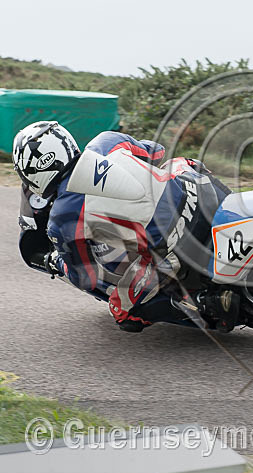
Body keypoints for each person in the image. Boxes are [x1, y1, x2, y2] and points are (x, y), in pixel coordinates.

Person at [13, 120, 233, 332]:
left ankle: (207, 304)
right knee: (180, 163)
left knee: (122, 311)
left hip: (176, 247)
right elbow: (156, 151)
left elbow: (85, 278)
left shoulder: (61, 218)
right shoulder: (105, 141)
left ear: (31, 173)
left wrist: (58, 262)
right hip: (200, 192)